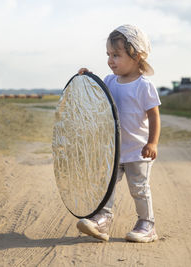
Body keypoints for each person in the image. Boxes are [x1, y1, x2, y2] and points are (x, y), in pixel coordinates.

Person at [76, 24, 161, 243]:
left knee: (139, 189)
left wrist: (152, 143)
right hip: (114, 151)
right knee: (107, 185)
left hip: (138, 150)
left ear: (137, 56)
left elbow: (154, 116)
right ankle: (102, 220)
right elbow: (98, 98)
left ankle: (147, 225)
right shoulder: (110, 81)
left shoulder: (144, 86)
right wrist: (89, 78)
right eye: (108, 55)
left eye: (116, 55)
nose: (110, 60)